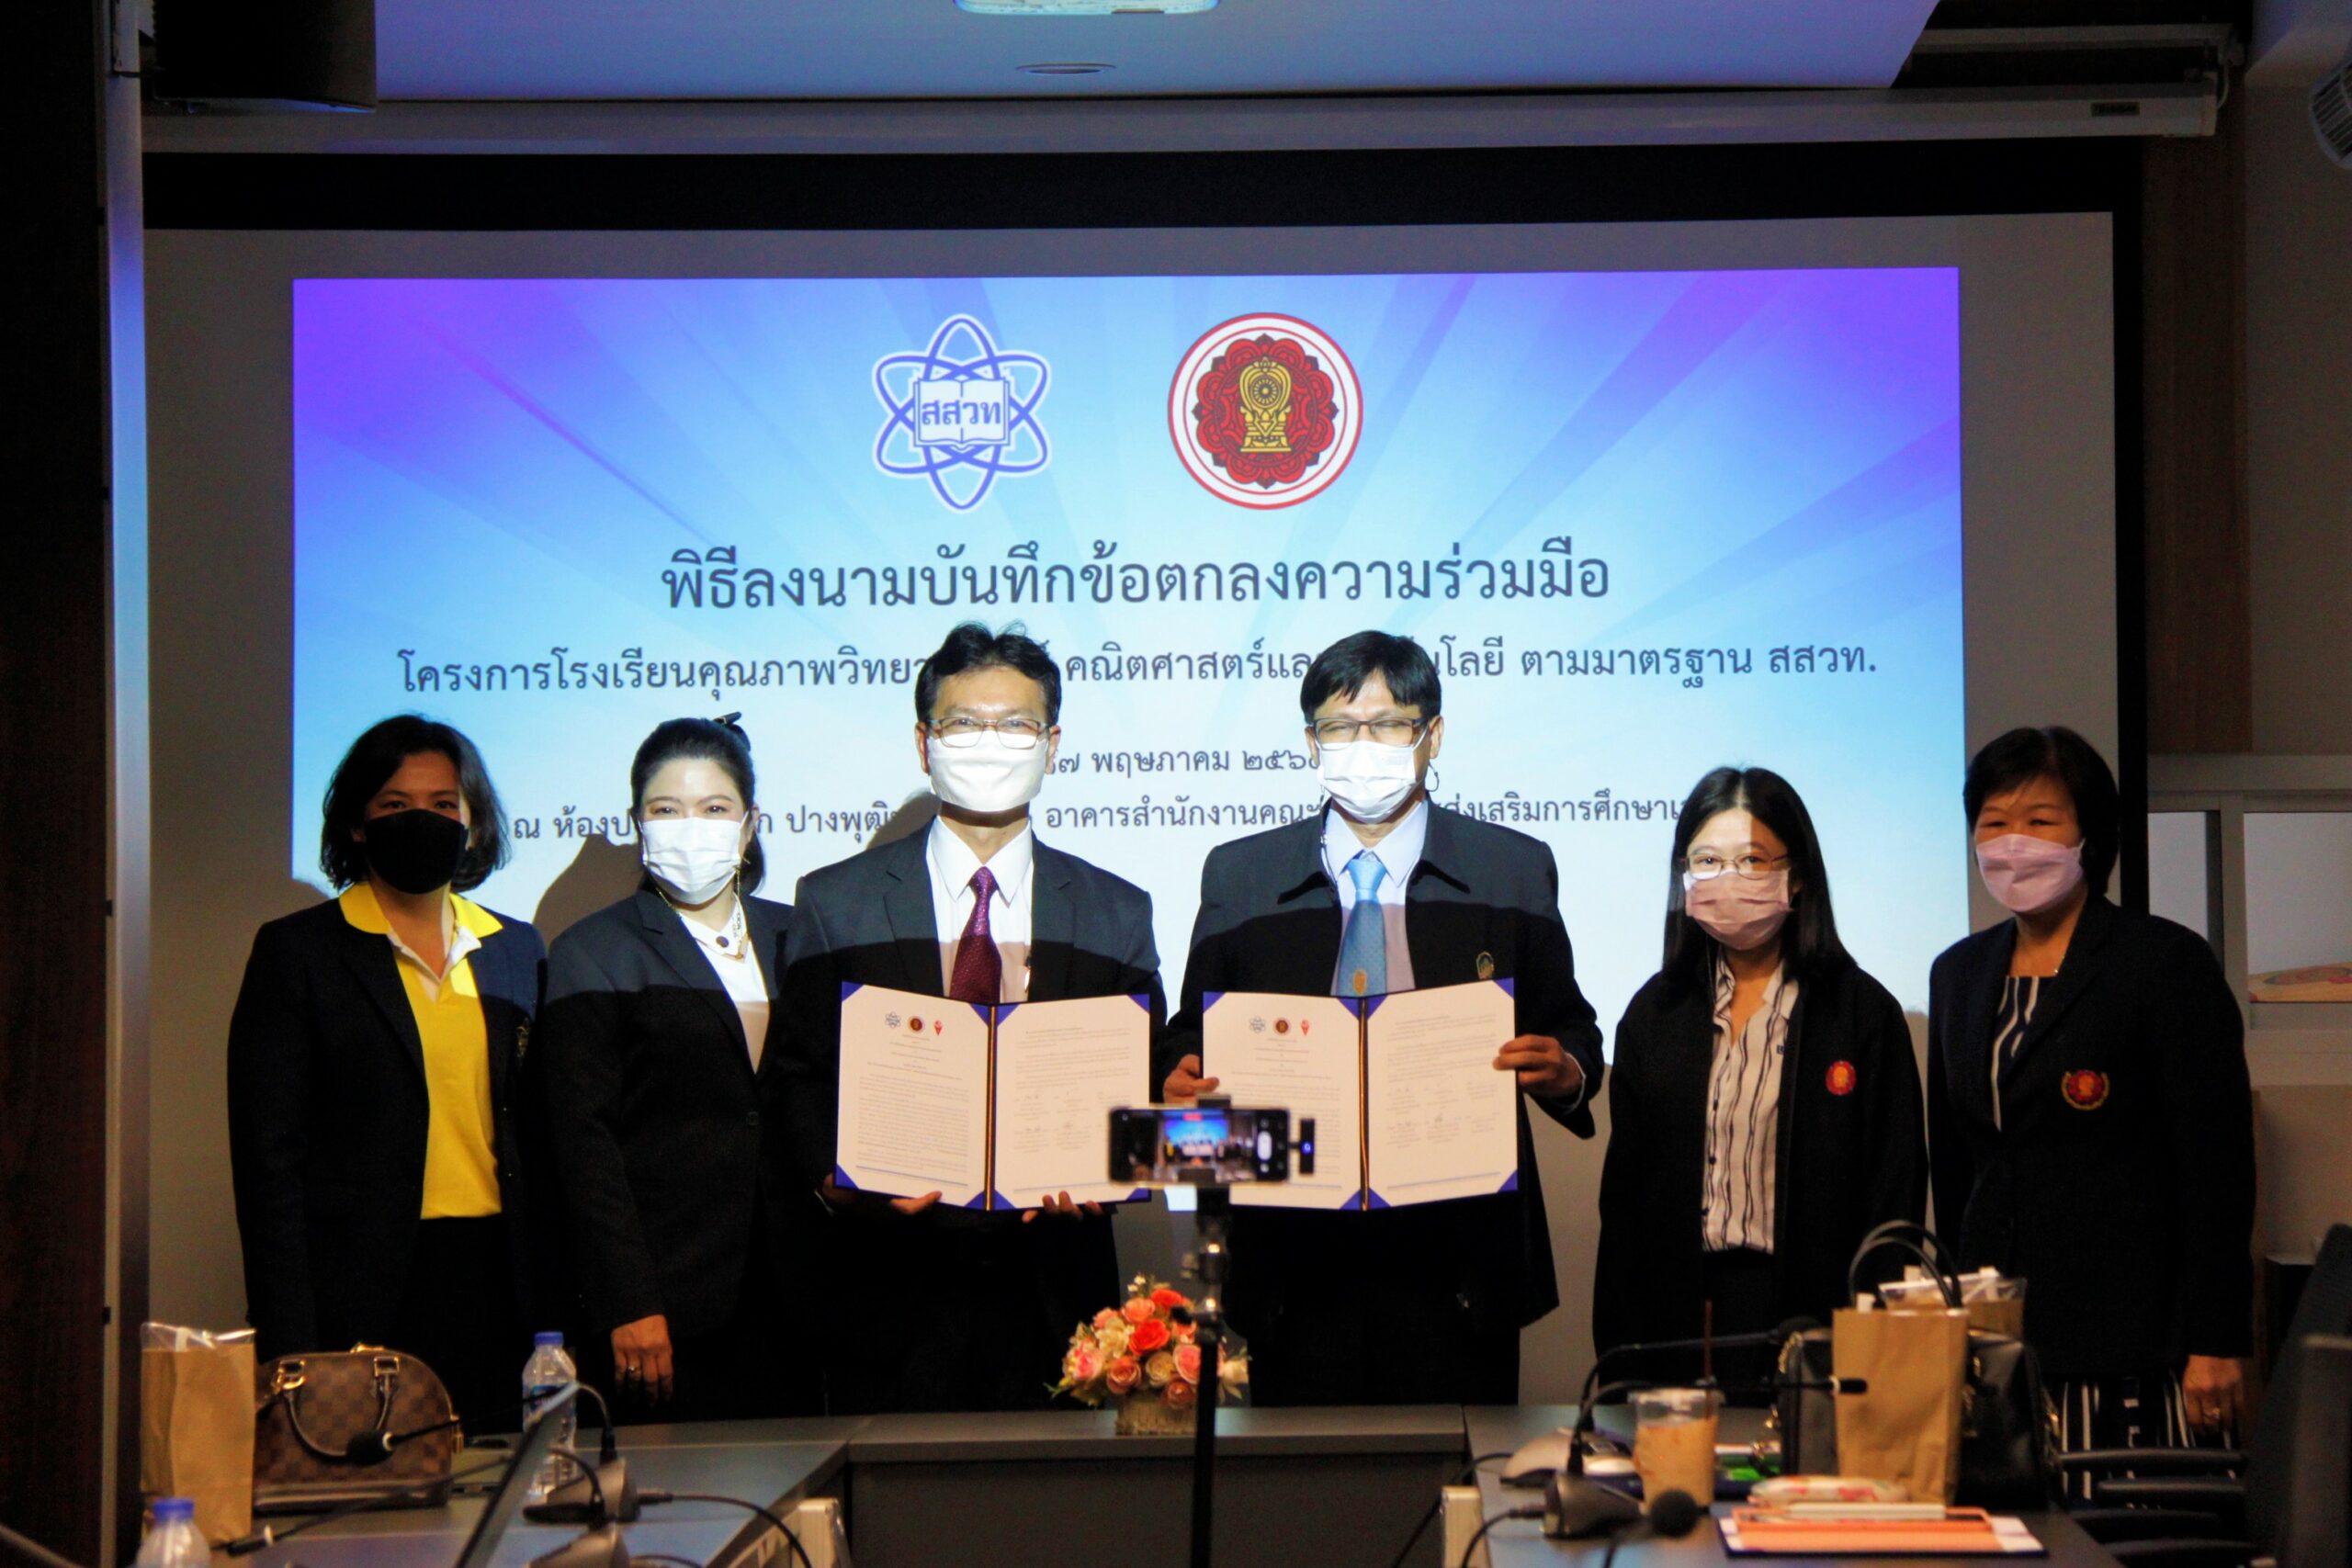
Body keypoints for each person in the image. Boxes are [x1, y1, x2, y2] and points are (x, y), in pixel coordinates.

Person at [1159, 630, 1602, 1405]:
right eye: (1340, 726)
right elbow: (1191, 1034)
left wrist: (1564, 1070)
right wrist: (1182, 1081)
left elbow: (1573, 1032)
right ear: (1311, 742)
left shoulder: (1511, 866)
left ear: (1433, 734)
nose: (1363, 746)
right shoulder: (1241, 873)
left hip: (1458, 1257)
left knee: (1461, 1473)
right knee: (1302, 1472)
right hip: (1296, 1258)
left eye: (1390, 723)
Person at [775, 623, 1165, 1413]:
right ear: (924, 743)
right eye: (963, 724)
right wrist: (840, 1180)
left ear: (1052, 745)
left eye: (1016, 724)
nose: (990, 744)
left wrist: (1113, 1164)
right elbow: (799, 1075)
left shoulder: (1116, 909)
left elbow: (1144, 1084)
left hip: (1058, 1294)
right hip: (890, 1288)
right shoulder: (836, 899)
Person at [1928, 726, 2253, 1472]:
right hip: (1998, 1345)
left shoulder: (2164, 963)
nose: (2013, 843)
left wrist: (2216, 1337)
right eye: (1993, 822)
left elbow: (2217, 1169)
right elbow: (1956, 1164)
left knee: (2125, 1523)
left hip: (2137, 1345)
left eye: (2040, 820)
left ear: (2091, 834)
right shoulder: (1958, 973)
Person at [227, 716, 543, 1427]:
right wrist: (291, 1342)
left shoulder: (516, 948)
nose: (421, 820)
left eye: (443, 804)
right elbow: (268, 1163)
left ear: (471, 821)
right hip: (361, 1292)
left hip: (500, 1282)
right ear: (358, 823)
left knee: (502, 1481)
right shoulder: (298, 953)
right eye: (395, 804)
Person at [1593, 766, 1925, 1385]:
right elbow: (1626, 1204)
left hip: (1816, 1319)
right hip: (1679, 1319)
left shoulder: (1862, 1014)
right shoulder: (1655, 1013)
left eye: (1751, 860)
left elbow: (1893, 1195)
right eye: (1707, 861)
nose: (1729, 879)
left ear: (1795, 876)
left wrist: (1877, 1349)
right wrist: (1618, 1354)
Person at [536, 716, 816, 1419]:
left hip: (799, 1295)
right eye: (666, 810)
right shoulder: (593, 950)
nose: (691, 827)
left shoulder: (800, 936)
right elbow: (583, 1144)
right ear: (637, 822)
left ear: (750, 825)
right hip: (667, 1303)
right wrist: (628, 1299)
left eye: (714, 808)